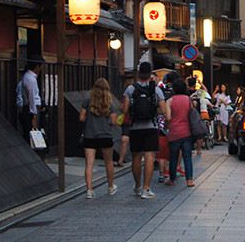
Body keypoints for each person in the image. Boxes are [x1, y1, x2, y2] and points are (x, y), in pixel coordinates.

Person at [121, 62, 167, 199]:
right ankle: (146, 189)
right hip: (151, 127)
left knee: (136, 156)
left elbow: (124, 110)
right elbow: (163, 111)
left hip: (135, 127)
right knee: (149, 157)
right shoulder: (156, 90)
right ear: (151, 72)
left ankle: (137, 186)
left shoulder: (130, 89)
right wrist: (152, 111)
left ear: (139, 72)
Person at [80, 78, 117, 198]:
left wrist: (90, 120)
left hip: (90, 135)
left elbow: (81, 118)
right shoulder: (110, 104)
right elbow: (113, 121)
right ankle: (111, 186)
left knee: (89, 163)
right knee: (109, 162)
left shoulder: (87, 101)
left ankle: (89, 190)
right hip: (105, 135)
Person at [164, 79, 195, 187]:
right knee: (187, 156)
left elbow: (167, 117)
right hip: (187, 132)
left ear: (173, 89)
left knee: (173, 157)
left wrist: (166, 126)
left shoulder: (169, 101)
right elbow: (192, 113)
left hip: (174, 133)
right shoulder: (188, 99)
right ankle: (189, 180)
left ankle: (172, 179)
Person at [19, 54, 46, 142]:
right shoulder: (30, 79)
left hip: (30, 109)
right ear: (37, 66)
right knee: (31, 134)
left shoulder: (28, 77)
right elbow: (32, 98)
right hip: (30, 110)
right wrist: (34, 116)